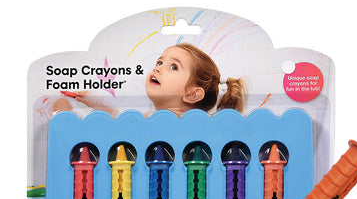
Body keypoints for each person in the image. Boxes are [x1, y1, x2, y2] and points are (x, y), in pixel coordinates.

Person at [52, 43, 246, 117]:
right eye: (159, 62)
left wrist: (71, 114)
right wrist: (90, 100)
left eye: (173, 67)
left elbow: (119, 123)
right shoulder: (151, 117)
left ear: (192, 94)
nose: (158, 68)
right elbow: (120, 120)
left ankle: (68, 120)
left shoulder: (180, 123)